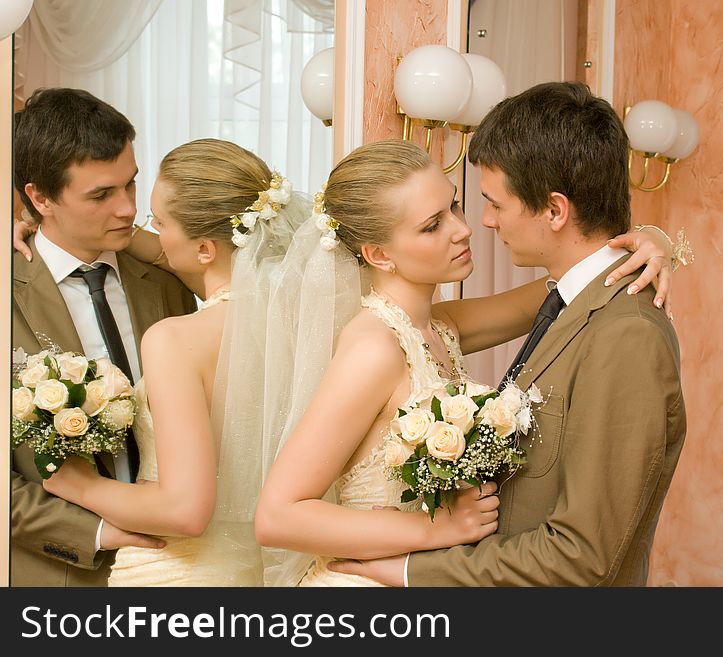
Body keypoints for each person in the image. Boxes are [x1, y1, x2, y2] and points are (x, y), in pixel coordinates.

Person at [254, 135, 677, 586]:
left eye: (454, 207)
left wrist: (650, 241)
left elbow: (578, 276)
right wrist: (439, 527)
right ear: (379, 255)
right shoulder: (374, 348)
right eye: (432, 225)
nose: (464, 228)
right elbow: (277, 517)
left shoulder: (439, 327)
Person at [38, 138, 309, 586]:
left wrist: (79, 485)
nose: (146, 232)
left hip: (178, 570)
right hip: (262, 569)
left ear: (204, 249)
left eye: (158, 222)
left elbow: (185, 510)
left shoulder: (175, 339)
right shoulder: (304, 324)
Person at [11, 87, 197, 587]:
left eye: (130, 186)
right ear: (40, 198)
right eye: (100, 195)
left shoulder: (165, 280)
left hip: (180, 563)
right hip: (55, 575)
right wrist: (94, 532)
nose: (125, 209)